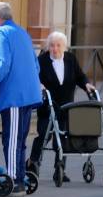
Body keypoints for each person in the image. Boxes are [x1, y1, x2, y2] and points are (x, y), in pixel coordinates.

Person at [0, 2, 41, 193]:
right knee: (20, 139)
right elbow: (36, 66)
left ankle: (14, 181)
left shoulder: (0, 34)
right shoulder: (22, 33)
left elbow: (1, 66)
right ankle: (20, 176)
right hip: (28, 94)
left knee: (11, 140)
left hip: (14, 96)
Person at [28, 31, 94, 176]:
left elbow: (79, 76)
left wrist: (87, 85)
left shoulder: (70, 59)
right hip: (47, 105)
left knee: (63, 137)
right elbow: (33, 78)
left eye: (58, 45)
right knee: (44, 134)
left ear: (64, 47)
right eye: (52, 46)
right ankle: (32, 162)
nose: (55, 49)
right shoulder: (42, 61)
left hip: (66, 106)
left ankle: (60, 168)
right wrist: (39, 86)